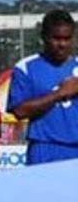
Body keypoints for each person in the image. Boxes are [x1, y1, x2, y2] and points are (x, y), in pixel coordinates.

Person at [8, 10, 78, 165]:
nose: (62, 44)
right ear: (44, 37)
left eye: (67, 39)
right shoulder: (25, 68)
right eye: (56, 38)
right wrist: (59, 94)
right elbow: (19, 111)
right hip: (44, 148)